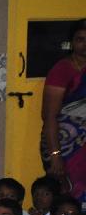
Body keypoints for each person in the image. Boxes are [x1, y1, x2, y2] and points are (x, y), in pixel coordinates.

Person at [41, 19, 86, 203]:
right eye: (80, 39)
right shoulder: (62, 69)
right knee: (69, 198)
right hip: (66, 144)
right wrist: (55, 155)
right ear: (72, 42)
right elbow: (49, 116)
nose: (85, 45)